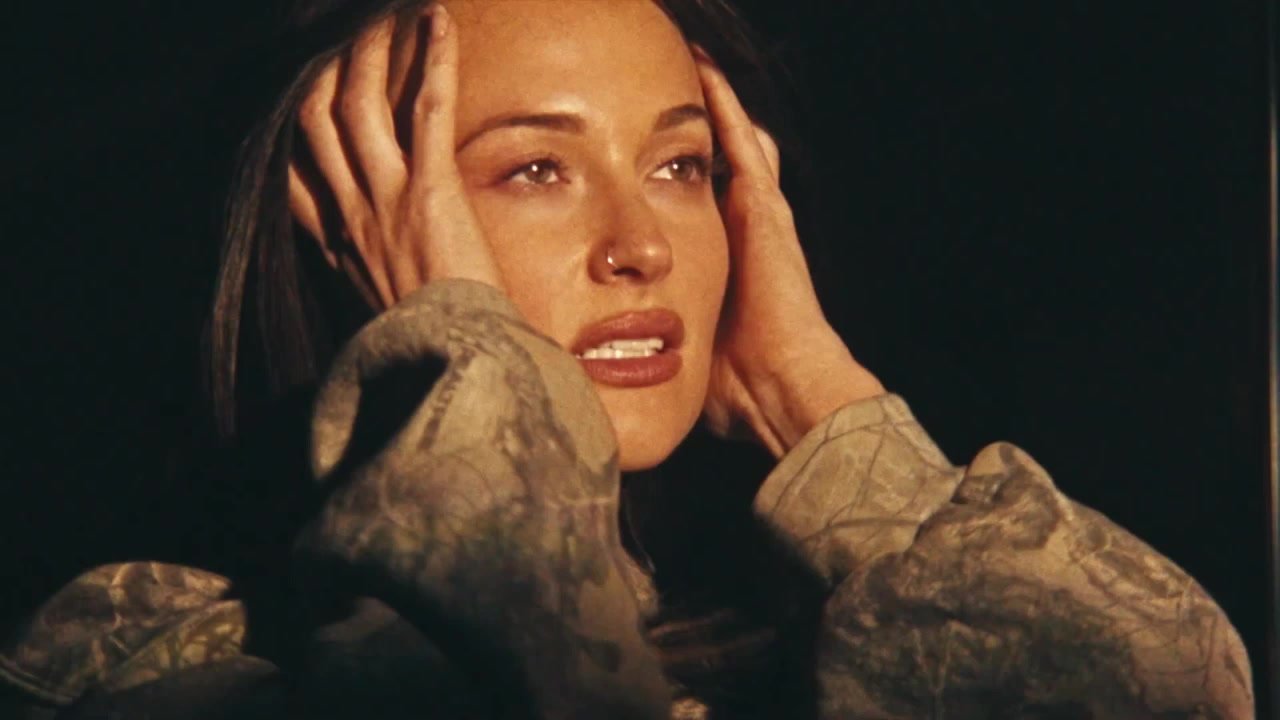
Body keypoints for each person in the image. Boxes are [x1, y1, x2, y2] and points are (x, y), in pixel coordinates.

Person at [0, 0, 1255, 718]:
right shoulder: (136, 659)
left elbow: (1174, 695)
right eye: (534, 169)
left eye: (678, 165)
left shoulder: (827, 632)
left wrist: (812, 406)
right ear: (357, 234)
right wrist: (458, 353)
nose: (642, 245)